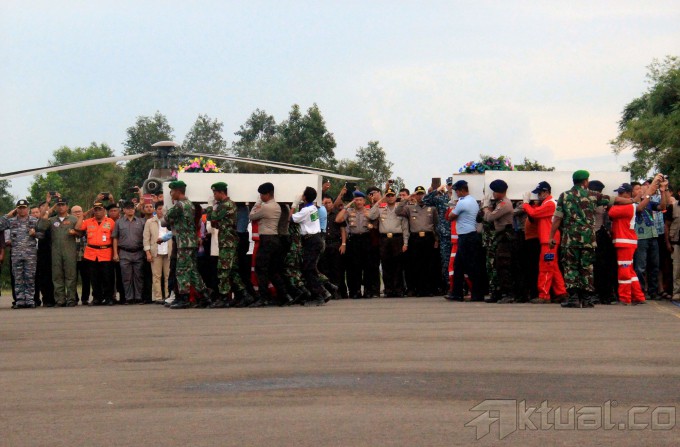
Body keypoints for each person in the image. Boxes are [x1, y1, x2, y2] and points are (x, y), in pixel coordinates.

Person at [550, 170, 635, 308]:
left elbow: (557, 218)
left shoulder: (564, 196)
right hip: (588, 239)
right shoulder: (593, 195)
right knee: (587, 268)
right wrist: (632, 200)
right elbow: (616, 200)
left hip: (570, 239)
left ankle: (573, 298)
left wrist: (551, 236)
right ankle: (587, 299)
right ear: (585, 181)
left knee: (570, 267)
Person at [161, 180, 211, 309]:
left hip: (184, 242)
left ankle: (184, 298)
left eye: (172, 192)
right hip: (191, 241)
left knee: (181, 270)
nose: (171, 194)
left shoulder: (179, 205)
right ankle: (204, 295)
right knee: (192, 270)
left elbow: (165, 219)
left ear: (177, 191)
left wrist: (168, 213)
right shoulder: (190, 204)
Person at [205, 182, 253, 307]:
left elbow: (211, 217)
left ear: (221, 192)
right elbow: (217, 222)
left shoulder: (225, 205)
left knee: (223, 270)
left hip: (228, 242)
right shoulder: (227, 205)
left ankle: (224, 297)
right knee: (232, 271)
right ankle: (245, 295)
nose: (214, 196)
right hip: (228, 241)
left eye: (215, 193)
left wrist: (209, 206)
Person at [521, 181, 567, 304]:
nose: (538, 196)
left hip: (549, 241)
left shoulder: (550, 204)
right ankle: (561, 293)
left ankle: (544, 295)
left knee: (545, 267)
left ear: (546, 192)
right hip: (549, 240)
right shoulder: (548, 203)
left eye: (539, 193)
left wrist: (525, 204)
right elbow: (536, 212)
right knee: (553, 267)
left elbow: (534, 213)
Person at [248, 182, 292, 307]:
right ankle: (284, 296)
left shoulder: (266, 207)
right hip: (275, 239)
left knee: (261, 268)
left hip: (267, 240)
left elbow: (252, 216)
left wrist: (257, 203)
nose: (260, 197)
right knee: (273, 270)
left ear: (268, 194)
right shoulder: (277, 206)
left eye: (262, 195)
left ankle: (264, 297)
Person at [396, 185, 439, 296]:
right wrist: (407, 198)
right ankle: (419, 289)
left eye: (422, 194)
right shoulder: (409, 208)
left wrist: (436, 239)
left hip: (428, 237)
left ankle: (429, 289)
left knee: (429, 264)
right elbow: (398, 211)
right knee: (416, 264)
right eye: (418, 194)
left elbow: (436, 224)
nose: (420, 196)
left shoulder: (432, 208)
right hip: (415, 238)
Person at [291, 186, 331, 305]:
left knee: (308, 269)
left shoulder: (306, 210)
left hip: (311, 240)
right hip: (315, 239)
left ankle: (319, 294)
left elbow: (291, 218)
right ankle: (323, 291)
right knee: (311, 268)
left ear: (304, 197)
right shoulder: (313, 208)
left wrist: (294, 205)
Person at [38, 194, 79, 307]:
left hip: (69, 251)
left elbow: (81, 232)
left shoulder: (73, 219)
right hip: (55, 252)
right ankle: (60, 300)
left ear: (67, 206)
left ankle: (71, 299)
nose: (61, 207)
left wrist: (75, 232)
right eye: (59, 205)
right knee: (57, 276)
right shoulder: (52, 220)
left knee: (71, 276)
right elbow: (41, 226)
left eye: (63, 205)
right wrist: (48, 207)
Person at [608, 183, 646, 305]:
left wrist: (616, 203)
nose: (618, 195)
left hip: (625, 241)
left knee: (624, 270)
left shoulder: (628, 206)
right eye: (618, 192)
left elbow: (611, 212)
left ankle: (625, 298)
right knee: (629, 270)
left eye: (621, 193)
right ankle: (638, 296)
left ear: (629, 194)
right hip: (626, 241)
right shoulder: (630, 205)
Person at [447, 180, 485, 301]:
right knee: (458, 266)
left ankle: (477, 294)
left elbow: (450, 217)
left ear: (462, 190)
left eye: (457, 191)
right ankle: (457, 293)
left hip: (466, 237)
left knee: (470, 266)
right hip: (469, 236)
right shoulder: (472, 200)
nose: (456, 194)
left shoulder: (462, 202)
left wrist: (453, 209)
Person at [482, 180, 519, 303]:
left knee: (504, 265)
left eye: (495, 191)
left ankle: (508, 293)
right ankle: (499, 292)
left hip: (505, 237)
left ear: (500, 192)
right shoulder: (500, 203)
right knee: (498, 266)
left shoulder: (505, 204)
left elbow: (489, 218)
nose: (493, 194)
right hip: (501, 237)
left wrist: (486, 207)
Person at [368, 186, 409, 297]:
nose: (390, 197)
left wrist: (405, 242)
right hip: (384, 239)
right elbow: (371, 215)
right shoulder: (381, 209)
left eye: (392, 195)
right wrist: (380, 200)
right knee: (386, 264)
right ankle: (388, 289)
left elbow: (405, 227)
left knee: (398, 265)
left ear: (395, 197)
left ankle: (398, 289)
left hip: (397, 238)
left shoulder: (400, 209)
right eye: (388, 196)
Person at [633, 176, 667, 300]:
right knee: (640, 266)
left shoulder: (649, 202)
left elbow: (662, 207)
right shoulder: (633, 203)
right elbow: (640, 208)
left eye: (640, 188)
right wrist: (650, 191)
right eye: (637, 189)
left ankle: (653, 291)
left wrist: (662, 191)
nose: (640, 190)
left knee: (654, 265)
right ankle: (641, 291)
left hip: (653, 236)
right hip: (640, 237)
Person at [0, 199, 39, 308]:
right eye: (20, 208)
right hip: (16, 254)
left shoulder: (34, 221)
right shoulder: (11, 221)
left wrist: (35, 234)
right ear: (16, 209)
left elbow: (43, 234)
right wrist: (8, 215)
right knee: (18, 277)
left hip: (30, 254)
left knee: (30, 277)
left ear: (28, 209)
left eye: (24, 208)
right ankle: (20, 300)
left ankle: (30, 300)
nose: (22, 210)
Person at [76, 200, 115, 305]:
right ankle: (97, 298)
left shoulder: (110, 222)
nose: (97, 212)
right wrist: (84, 214)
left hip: (106, 252)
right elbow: (77, 227)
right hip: (91, 253)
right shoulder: (88, 221)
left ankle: (108, 298)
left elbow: (115, 238)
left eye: (99, 210)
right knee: (94, 277)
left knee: (107, 277)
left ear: (104, 211)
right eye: (95, 210)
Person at [336, 190, 372, 298]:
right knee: (355, 266)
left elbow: (375, 223)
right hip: (354, 240)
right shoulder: (349, 211)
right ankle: (356, 291)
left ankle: (368, 290)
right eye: (356, 200)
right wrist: (347, 206)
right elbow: (338, 219)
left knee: (367, 266)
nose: (358, 202)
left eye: (360, 200)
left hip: (366, 239)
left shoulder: (369, 211)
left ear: (364, 201)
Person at [112, 201, 146, 304]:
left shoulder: (141, 222)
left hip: (138, 251)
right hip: (124, 252)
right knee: (126, 277)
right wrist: (115, 253)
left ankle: (138, 297)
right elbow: (115, 238)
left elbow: (146, 237)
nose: (130, 210)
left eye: (132, 208)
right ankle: (129, 297)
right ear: (124, 210)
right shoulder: (119, 222)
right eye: (128, 208)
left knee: (138, 276)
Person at [319, 193, 348, 298]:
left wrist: (343, 244)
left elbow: (343, 229)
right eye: (324, 203)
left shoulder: (337, 214)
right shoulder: (319, 214)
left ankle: (338, 292)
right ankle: (328, 291)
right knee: (324, 268)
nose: (327, 205)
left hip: (335, 244)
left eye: (329, 202)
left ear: (332, 203)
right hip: (323, 243)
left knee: (336, 269)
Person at [144, 201, 172, 303]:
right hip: (156, 251)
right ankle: (158, 297)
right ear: (155, 210)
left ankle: (168, 296)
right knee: (156, 276)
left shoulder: (170, 221)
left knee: (168, 275)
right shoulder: (150, 222)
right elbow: (146, 238)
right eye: (159, 209)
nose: (161, 211)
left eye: (163, 209)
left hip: (168, 251)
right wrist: (147, 252)